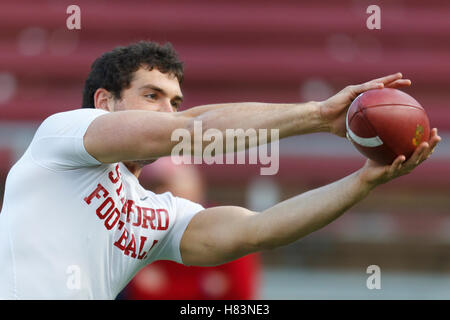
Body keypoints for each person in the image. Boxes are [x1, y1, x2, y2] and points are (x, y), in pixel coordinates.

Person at [0, 41, 441, 299]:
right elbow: (187, 130)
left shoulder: (156, 214)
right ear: (104, 102)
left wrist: (362, 181)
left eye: (174, 100)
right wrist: (319, 116)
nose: (168, 109)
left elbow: (261, 229)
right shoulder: (63, 134)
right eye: (151, 95)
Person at [120, 157, 261, 300]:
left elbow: (240, 294)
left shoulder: (227, 226)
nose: (158, 193)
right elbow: (140, 292)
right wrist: (202, 287)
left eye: (165, 184)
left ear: (194, 185)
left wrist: (166, 288)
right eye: (150, 187)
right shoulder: (145, 229)